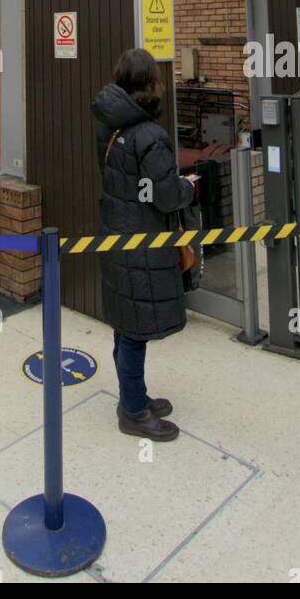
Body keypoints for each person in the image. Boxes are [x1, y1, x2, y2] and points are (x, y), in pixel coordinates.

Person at [92, 48, 198, 442]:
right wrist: (187, 187)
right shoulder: (150, 135)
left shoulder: (111, 128)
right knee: (135, 330)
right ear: (151, 83)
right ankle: (133, 412)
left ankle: (132, 396)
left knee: (125, 321)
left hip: (116, 235)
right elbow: (164, 195)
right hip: (144, 242)